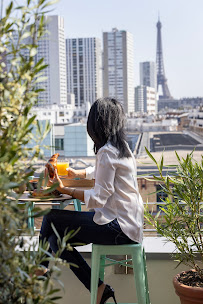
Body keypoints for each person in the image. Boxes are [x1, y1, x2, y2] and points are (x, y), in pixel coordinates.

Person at [38, 97, 144, 304]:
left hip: (117, 228)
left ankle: (40, 272)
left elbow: (98, 198)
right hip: (130, 226)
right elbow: (102, 171)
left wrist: (63, 189)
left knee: (50, 216)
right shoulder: (123, 148)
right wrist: (77, 172)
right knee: (56, 241)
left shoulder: (106, 152)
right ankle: (99, 289)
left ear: (97, 124)